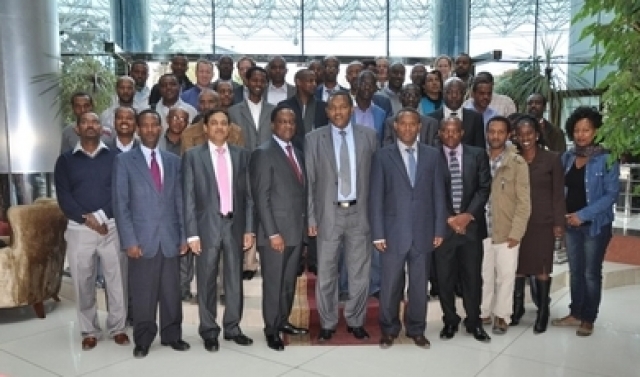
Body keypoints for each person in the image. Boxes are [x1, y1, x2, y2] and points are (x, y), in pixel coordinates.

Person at [112, 109, 190, 358]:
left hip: (169, 237)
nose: (149, 130)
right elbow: (120, 204)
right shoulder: (124, 162)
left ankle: (172, 335)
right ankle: (143, 338)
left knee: (171, 291)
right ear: (137, 129)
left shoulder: (173, 161)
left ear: (160, 128)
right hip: (141, 240)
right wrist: (129, 240)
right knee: (143, 292)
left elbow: (180, 201)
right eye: (144, 125)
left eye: (153, 125)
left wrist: (184, 236)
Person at [369, 107, 447, 349]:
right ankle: (389, 329)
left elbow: (438, 196)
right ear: (395, 126)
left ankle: (416, 329)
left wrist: (439, 229)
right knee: (390, 285)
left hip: (423, 232)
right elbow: (376, 197)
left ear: (420, 127)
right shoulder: (383, 156)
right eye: (403, 124)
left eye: (413, 124)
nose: (408, 129)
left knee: (418, 286)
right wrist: (378, 232)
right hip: (392, 233)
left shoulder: (432, 155)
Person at [305, 91, 378, 342]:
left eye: (343, 106)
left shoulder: (369, 137)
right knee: (326, 271)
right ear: (327, 111)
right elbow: (310, 182)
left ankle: (356, 320)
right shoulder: (314, 139)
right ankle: (327, 322)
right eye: (333, 107)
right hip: (328, 213)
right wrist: (311, 218)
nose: (338, 111)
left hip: (360, 213)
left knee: (359, 272)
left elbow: (376, 180)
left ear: (351, 109)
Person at [54, 112, 129, 351]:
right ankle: (89, 330)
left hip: (111, 228)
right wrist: (88, 220)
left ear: (102, 129)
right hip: (79, 230)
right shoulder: (65, 161)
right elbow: (64, 197)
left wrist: (100, 217)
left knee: (117, 281)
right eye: (85, 122)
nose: (90, 125)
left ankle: (118, 327)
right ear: (77, 129)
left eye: (95, 122)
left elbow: (119, 192)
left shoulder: (115, 157)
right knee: (83, 282)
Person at [182, 108, 255, 352]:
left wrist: (249, 229)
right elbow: (188, 197)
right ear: (205, 128)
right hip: (206, 227)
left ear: (230, 128)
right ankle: (209, 330)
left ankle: (233, 327)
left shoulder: (242, 156)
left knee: (234, 280)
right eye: (214, 123)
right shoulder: (193, 156)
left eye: (224, 123)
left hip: (234, 225)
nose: (219, 127)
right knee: (206, 281)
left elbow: (249, 197)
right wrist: (191, 233)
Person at [552, 106, 620, 337]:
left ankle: (588, 317)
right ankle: (575, 312)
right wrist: (564, 216)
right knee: (575, 271)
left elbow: (611, 195)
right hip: (571, 224)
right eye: (577, 130)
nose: (581, 134)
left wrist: (583, 215)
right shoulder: (567, 157)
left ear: (596, 131)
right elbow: (560, 189)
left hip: (595, 225)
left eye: (586, 130)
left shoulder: (606, 158)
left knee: (591, 273)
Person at [250, 105, 309, 351]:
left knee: (287, 283)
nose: (288, 126)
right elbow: (261, 197)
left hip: (295, 230)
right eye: (282, 122)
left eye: (291, 122)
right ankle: (271, 330)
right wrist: (272, 233)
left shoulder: (296, 151)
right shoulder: (263, 153)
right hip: (275, 233)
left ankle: (282, 321)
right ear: (273, 125)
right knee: (274, 284)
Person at [435, 117, 492, 343]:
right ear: (440, 133)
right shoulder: (431, 157)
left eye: (455, 131)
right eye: (446, 131)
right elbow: (431, 191)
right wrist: (449, 218)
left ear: (462, 132)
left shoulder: (477, 154)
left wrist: (467, 216)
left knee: (472, 278)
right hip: (444, 228)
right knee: (444, 279)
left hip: (471, 228)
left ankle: (474, 322)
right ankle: (450, 320)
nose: (450, 135)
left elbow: (484, 187)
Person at [510, 115, 565, 334]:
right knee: (518, 267)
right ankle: (517, 309)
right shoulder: (513, 158)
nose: (525, 138)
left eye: (529, 134)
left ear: (537, 135)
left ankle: (543, 312)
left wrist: (559, 222)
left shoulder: (551, 159)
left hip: (543, 221)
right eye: (521, 134)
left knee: (542, 268)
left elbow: (559, 193)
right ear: (515, 136)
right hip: (518, 222)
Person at [480, 116, 531, 335]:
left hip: (507, 230)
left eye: (501, 132)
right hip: (482, 229)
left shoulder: (517, 163)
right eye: (492, 131)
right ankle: (482, 312)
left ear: (508, 134)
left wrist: (516, 232)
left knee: (506, 276)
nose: (495, 136)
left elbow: (524, 202)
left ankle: (502, 315)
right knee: (483, 275)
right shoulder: (478, 158)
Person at [428, 78, 485, 149]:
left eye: (458, 92)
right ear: (443, 93)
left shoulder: (476, 118)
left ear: (464, 94)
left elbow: (480, 150)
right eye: (450, 92)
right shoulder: (431, 119)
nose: (454, 96)